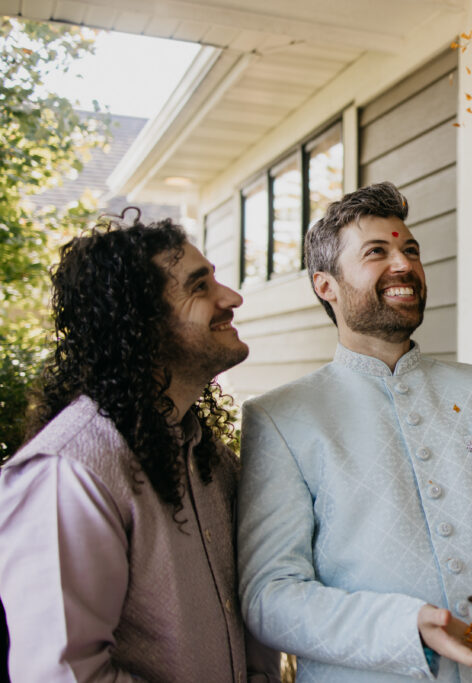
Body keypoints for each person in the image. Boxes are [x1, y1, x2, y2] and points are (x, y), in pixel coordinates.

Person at [238, 182, 472, 682]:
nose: (404, 264)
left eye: (410, 250)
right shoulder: (281, 418)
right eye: (377, 252)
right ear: (326, 285)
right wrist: (404, 627)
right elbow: (270, 596)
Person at [0, 217, 280, 681]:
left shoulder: (205, 455)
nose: (231, 298)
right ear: (140, 321)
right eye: (200, 286)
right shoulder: (70, 472)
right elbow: (63, 674)